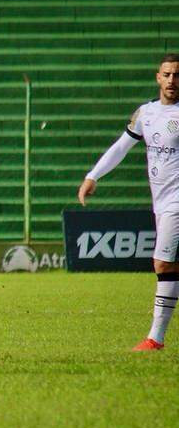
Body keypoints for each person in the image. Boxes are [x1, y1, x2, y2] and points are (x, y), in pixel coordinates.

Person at [78, 54, 179, 351]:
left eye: (177, 75)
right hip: (160, 201)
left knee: (163, 262)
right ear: (157, 77)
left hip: (176, 201)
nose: (172, 80)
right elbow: (121, 147)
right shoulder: (146, 113)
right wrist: (92, 176)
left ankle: (155, 339)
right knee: (168, 263)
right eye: (167, 74)